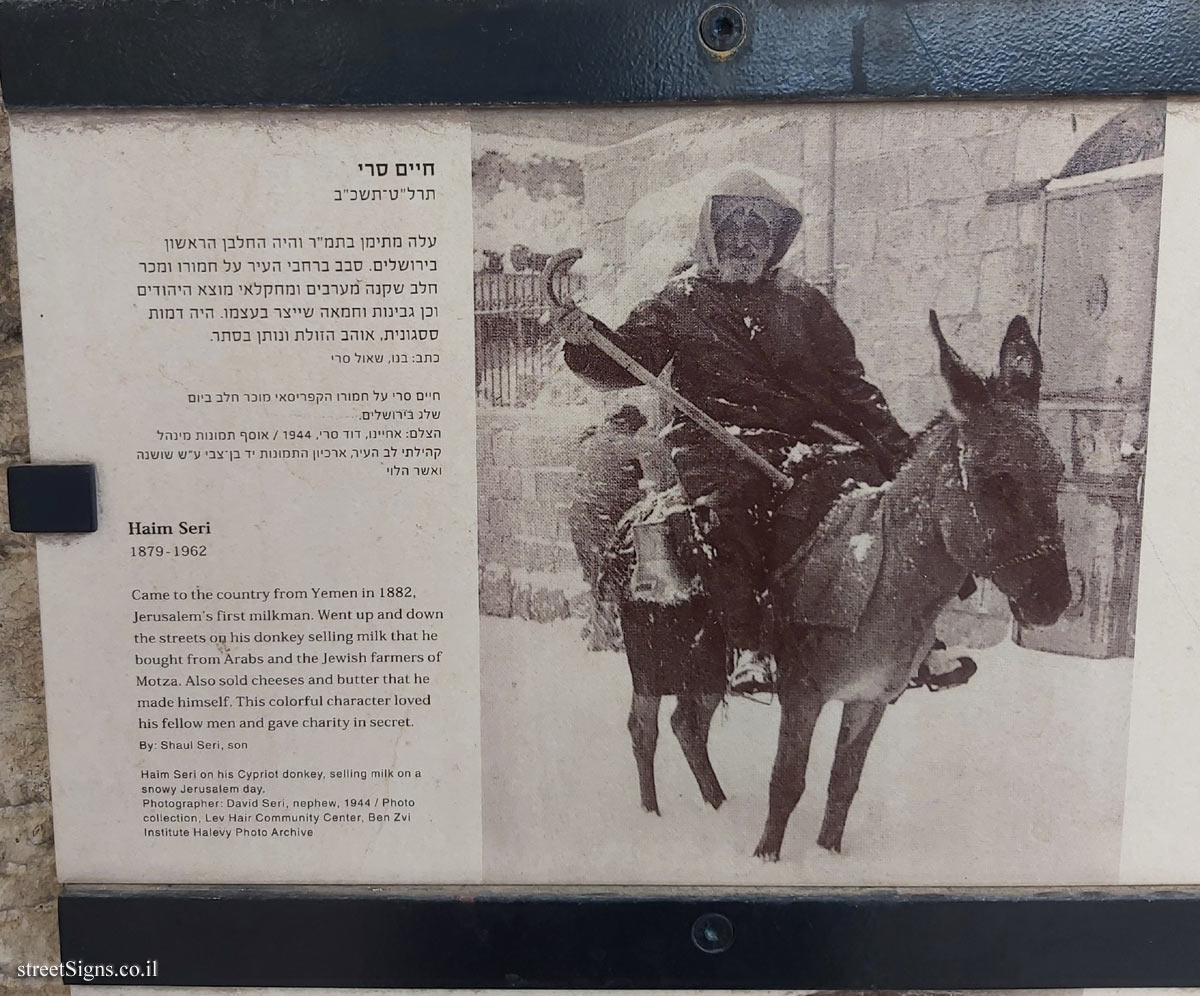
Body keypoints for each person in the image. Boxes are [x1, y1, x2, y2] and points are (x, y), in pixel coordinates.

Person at [552, 168, 923, 694]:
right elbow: (624, 360)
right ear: (711, 235)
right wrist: (585, 342)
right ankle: (751, 647)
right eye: (733, 229)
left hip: (805, 440)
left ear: (776, 240)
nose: (745, 241)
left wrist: (897, 449)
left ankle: (906, 641)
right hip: (715, 442)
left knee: (873, 498)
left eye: (759, 231)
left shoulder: (805, 302)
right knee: (732, 513)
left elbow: (851, 386)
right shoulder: (677, 302)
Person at [568, 404, 657, 651]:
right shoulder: (625, 444)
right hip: (603, 517)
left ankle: (598, 626)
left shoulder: (592, 438)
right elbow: (622, 490)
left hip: (579, 516)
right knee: (613, 575)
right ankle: (604, 635)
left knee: (594, 574)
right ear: (632, 426)